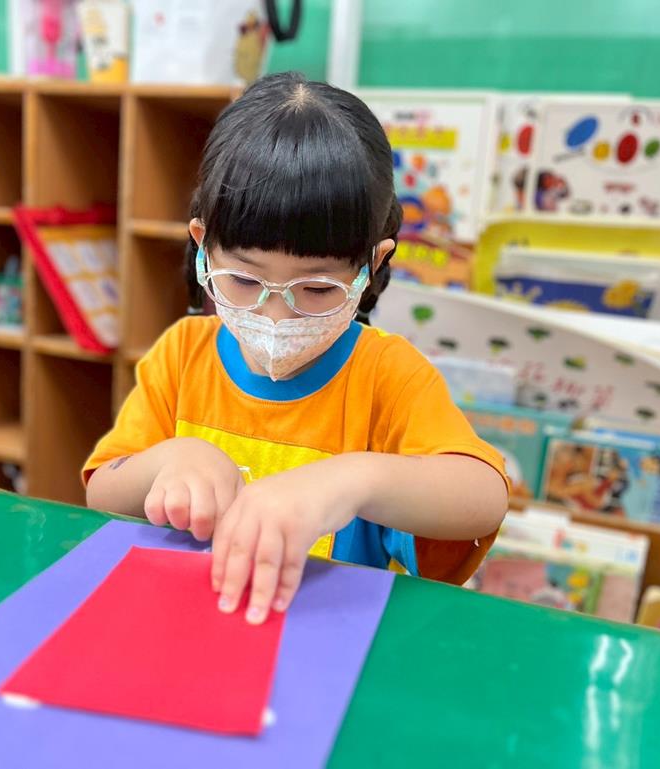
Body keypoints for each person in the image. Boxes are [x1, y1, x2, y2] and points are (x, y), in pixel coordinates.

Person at [84, 72, 509, 624]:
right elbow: (102, 493)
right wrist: (169, 459)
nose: (275, 316)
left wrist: (351, 481)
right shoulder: (182, 355)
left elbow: (484, 497)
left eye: (316, 289)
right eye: (244, 280)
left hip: (321, 636)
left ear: (373, 263)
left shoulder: (387, 375)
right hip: (188, 622)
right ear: (203, 246)